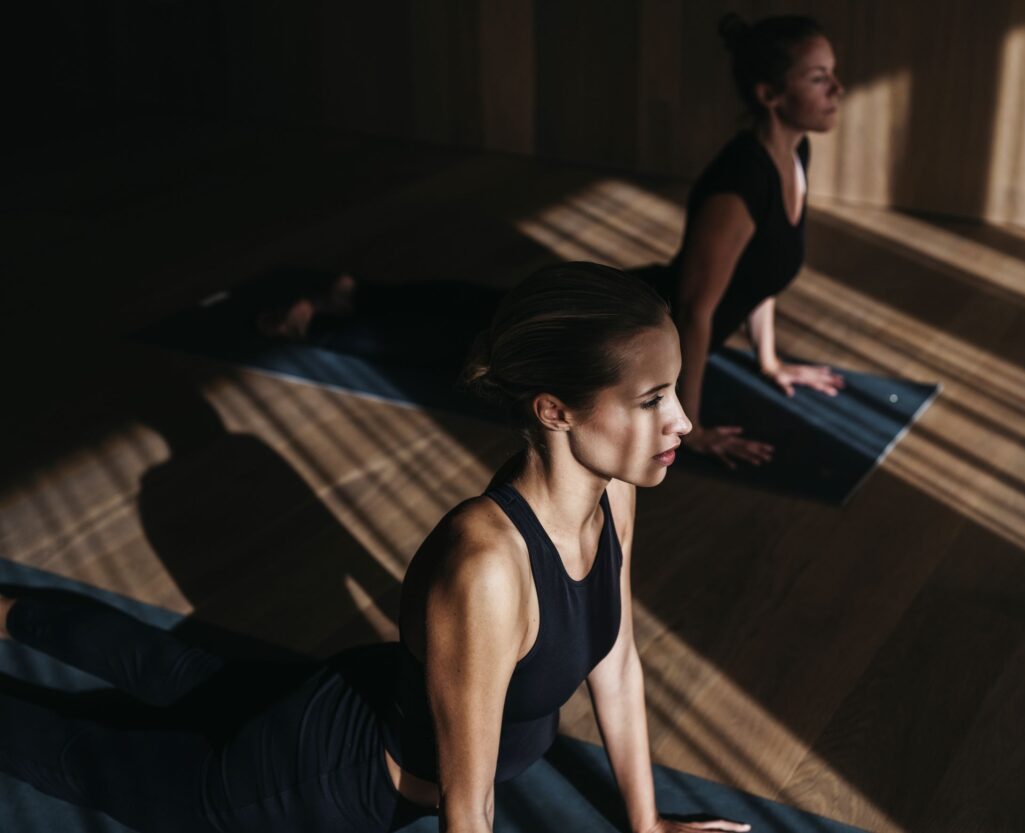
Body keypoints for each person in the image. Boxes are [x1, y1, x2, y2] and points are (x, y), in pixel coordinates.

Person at [0, 263, 750, 833]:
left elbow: (615, 660)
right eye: (652, 399)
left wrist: (647, 824)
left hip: (363, 691)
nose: (683, 421)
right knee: (82, 760)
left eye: (673, 389)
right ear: (555, 410)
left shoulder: (612, 489)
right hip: (321, 775)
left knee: (184, 674)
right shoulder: (489, 567)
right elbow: (468, 809)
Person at [640, 14, 846, 470]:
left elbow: (760, 272)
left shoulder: (795, 152)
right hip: (640, 338)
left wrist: (769, 361)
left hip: (673, 332)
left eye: (832, 73)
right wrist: (690, 428)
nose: (838, 88)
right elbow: (692, 311)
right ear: (769, 95)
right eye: (818, 78)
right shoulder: (739, 185)